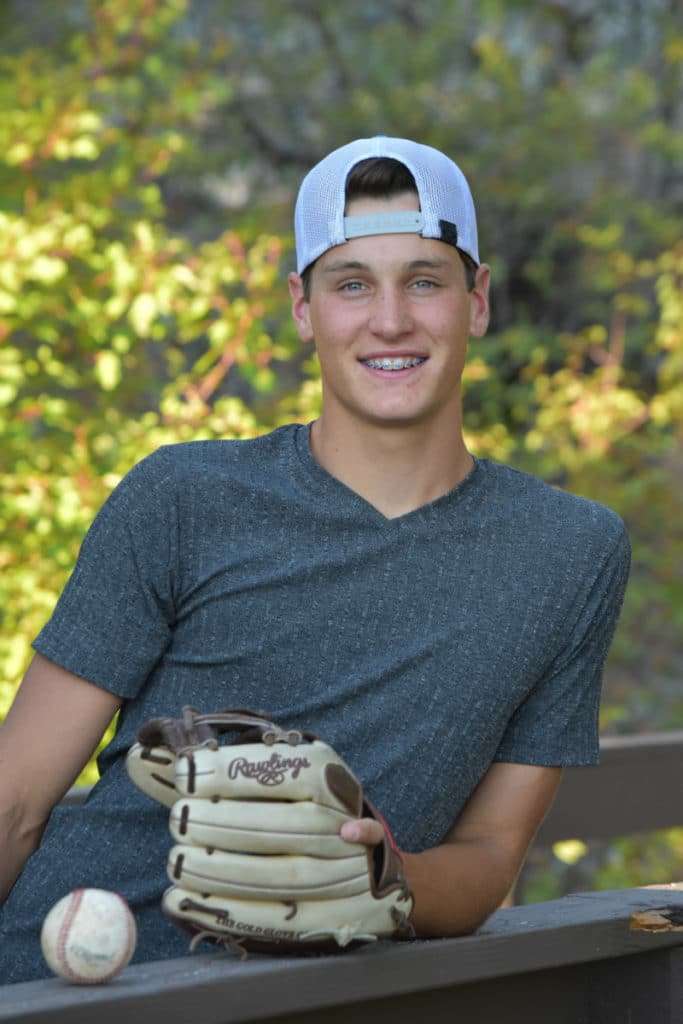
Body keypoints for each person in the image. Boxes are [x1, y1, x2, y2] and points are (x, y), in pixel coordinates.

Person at [0, 136, 630, 983]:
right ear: (303, 309)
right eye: (351, 284)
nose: (390, 320)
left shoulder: (570, 552)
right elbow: (15, 801)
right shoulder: (182, 498)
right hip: (47, 988)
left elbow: (488, 853)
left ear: (476, 301)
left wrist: (386, 881)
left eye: (424, 281)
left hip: (305, 1003)